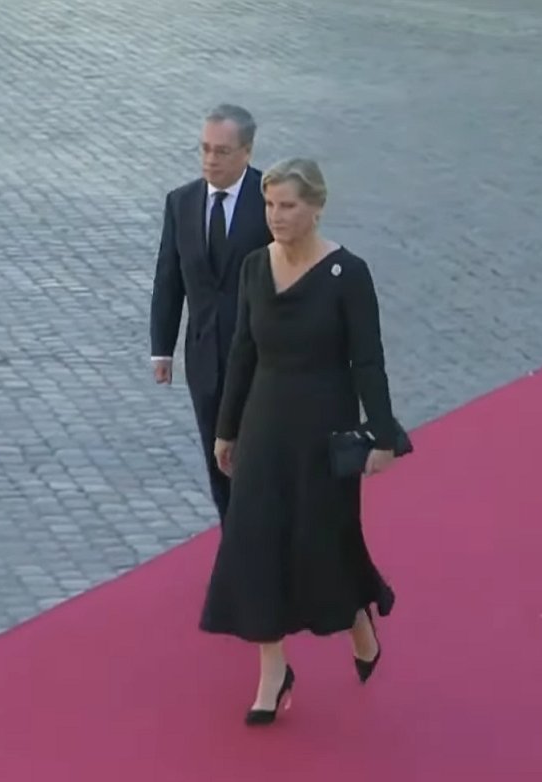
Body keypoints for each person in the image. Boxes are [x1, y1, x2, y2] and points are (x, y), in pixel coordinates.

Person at [198, 157, 400, 726]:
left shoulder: (348, 273)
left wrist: (383, 435)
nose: (276, 216)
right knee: (255, 542)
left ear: (316, 208)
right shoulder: (254, 268)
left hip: (323, 428)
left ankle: (357, 620)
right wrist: (226, 429)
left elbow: (368, 361)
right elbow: (243, 352)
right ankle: (273, 670)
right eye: (269, 205)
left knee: (323, 540)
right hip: (265, 425)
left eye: (288, 205)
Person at [149, 104, 273, 523]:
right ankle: (235, 541)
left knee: (257, 460)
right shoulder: (181, 203)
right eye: (204, 149)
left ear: (247, 152)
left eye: (221, 151)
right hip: (205, 358)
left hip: (261, 360)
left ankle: (263, 541)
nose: (210, 160)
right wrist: (162, 349)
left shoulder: (270, 201)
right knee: (218, 459)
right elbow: (169, 278)